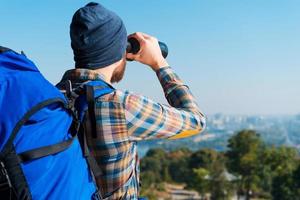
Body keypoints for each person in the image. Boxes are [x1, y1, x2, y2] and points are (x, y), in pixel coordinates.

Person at [57, 2, 206, 199]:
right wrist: (160, 63)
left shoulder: (51, 98)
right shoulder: (121, 106)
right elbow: (196, 121)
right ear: (121, 52)